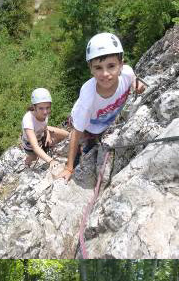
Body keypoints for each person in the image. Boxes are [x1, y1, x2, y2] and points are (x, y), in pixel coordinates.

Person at [57, 32, 147, 182]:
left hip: (104, 124)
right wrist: (68, 168)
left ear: (121, 65)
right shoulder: (88, 96)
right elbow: (76, 132)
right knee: (85, 150)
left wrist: (138, 85)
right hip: (85, 127)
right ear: (90, 69)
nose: (105, 74)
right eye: (98, 68)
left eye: (111, 66)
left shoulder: (127, 74)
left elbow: (134, 80)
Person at [22, 88, 69, 168]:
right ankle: (27, 162)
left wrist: (48, 135)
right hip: (30, 144)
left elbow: (44, 125)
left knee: (67, 135)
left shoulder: (43, 113)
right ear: (34, 107)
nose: (45, 112)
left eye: (47, 107)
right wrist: (50, 160)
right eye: (41, 108)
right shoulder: (28, 121)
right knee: (34, 157)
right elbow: (35, 146)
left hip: (42, 133)